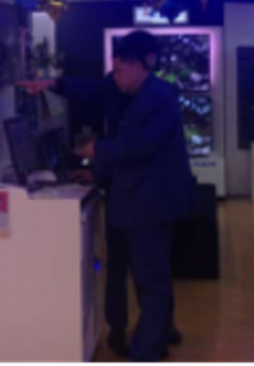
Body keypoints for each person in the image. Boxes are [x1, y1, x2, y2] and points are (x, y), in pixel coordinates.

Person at [20, 31, 193, 365]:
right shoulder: (135, 90)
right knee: (141, 275)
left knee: (151, 280)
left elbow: (141, 147)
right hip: (131, 202)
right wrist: (52, 85)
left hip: (150, 205)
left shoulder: (158, 97)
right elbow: (93, 90)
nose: (115, 78)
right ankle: (145, 338)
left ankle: (145, 351)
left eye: (120, 71)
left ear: (141, 65)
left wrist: (97, 151)